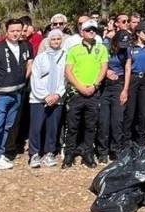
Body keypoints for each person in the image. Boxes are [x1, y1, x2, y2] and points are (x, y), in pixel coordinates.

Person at [0, 18, 32, 175]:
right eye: (12, 31)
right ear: (6, 31)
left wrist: (23, 79)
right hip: (0, 95)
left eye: (18, 30)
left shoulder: (24, 46)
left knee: (8, 126)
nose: (15, 34)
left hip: (17, 93)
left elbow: (29, 63)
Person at [64, 21, 109, 168]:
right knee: (72, 125)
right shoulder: (74, 50)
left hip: (93, 92)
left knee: (91, 125)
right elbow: (68, 71)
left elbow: (103, 68)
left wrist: (95, 85)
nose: (91, 32)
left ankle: (88, 153)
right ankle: (69, 154)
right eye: (88, 30)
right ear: (82, 32)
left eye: (93, 30)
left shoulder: (101, 48)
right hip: (77, 92)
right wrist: (80, 87)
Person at [27, 30, 66, 167]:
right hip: (39, 98)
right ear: (48, 41)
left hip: (57, 98)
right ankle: (34, 153)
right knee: (36, 127)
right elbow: (35, 78)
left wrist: (57, 95)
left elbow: (65, 78)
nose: (56, 41)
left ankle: (50, 152)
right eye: (53, 39)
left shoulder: (65, 57)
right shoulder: (40, 58)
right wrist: (45, 95)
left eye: (58, 39)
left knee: (53, 127)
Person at [97, 26, 132, 161]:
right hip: (105, 85)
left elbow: (128, 68)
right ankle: (102, 151)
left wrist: (125, 90)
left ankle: (115, 149)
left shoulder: (127, 50)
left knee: (117, 120)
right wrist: (106, 73)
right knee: (104, 120)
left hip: (119, 84)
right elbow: (98, 64)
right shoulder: (105, 47)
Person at [122, 28, 145, 145]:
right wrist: (126, 87)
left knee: (144, 113)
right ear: (138, 33)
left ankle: (141, 142)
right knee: (130, 113)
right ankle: (126, 142)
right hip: (134, 79)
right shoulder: (131, 47)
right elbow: (128, 67)